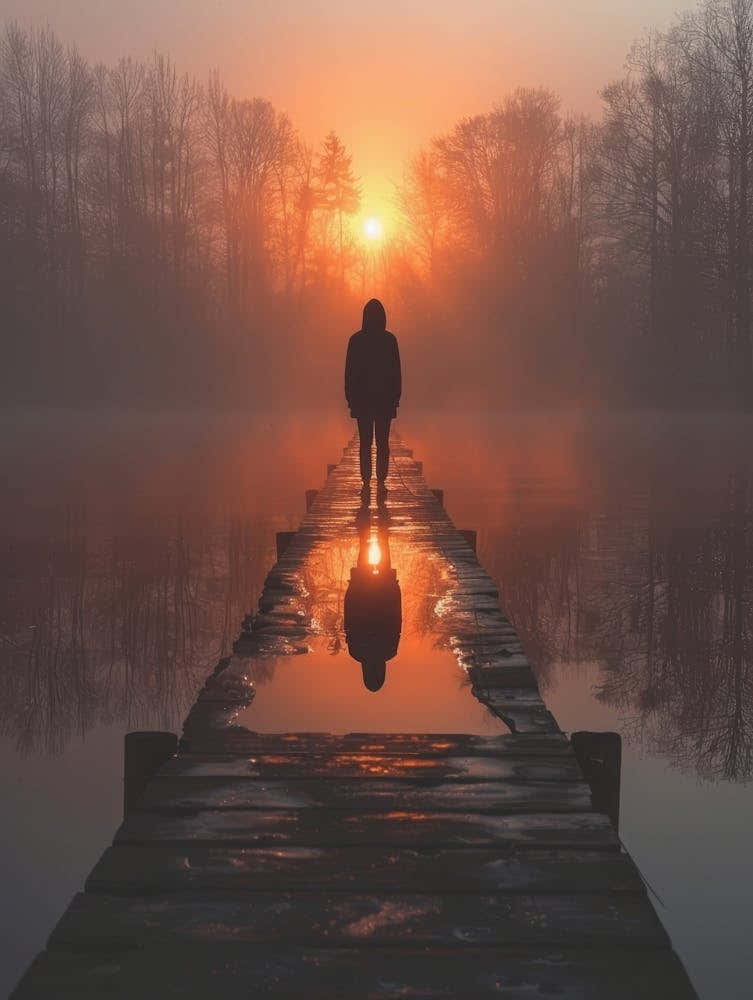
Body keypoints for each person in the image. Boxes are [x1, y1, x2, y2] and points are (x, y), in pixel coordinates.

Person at [345, 299, 401, 502]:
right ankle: (381, 480)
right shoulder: (389, 340)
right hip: (383, 402)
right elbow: (397, 373)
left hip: (364, 403)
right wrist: (396, 399)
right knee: (382, 443)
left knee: (366, 443)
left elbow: (348, 374)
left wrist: (351, 399)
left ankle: (367, 480)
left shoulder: (356, 340)